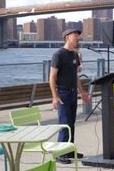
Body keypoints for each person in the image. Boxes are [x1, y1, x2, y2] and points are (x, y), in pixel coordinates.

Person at [49, 29, 90, 164]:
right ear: (67, 37)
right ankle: (59, 154)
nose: (78, 38)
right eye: (75, 35)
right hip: (62, 94)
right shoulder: (59, 54)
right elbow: (52, 78)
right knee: (64, 124)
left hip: (72, 94)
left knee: (71, 124)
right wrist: (55, 97)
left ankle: (69, 150)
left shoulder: (75, 55)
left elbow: (75, 76)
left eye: (78, 36)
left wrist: (82, 92)